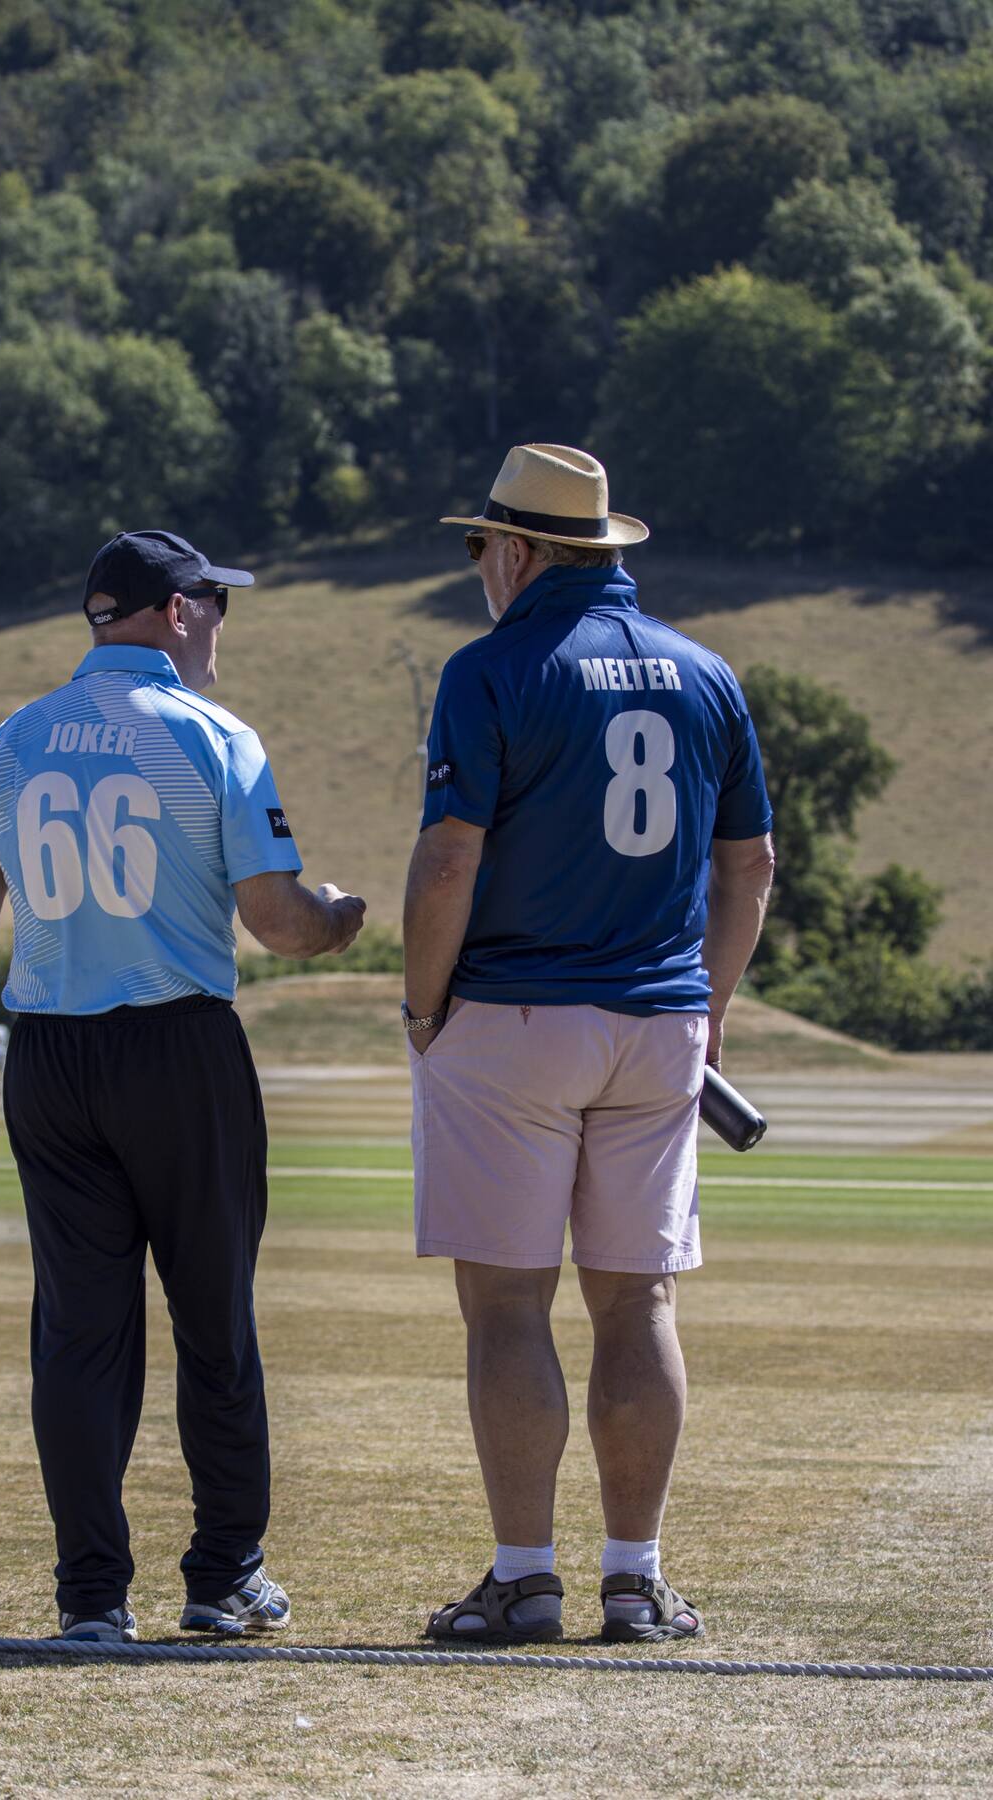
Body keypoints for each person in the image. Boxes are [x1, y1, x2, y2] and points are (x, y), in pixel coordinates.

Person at [0, 528, 366, 1644]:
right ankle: (223, 1575)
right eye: (216, 604)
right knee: (215, 1321)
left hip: (51, 1056)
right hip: (178, 1053)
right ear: (176, 611)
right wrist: (342, 918)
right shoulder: (213, 735)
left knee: (80, 1336)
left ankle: (91, 1597)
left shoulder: (15, 739)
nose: (221, 626)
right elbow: (276, 922)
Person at [402, 445, 774, 1646]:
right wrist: (707, 1011)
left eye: (482, 547)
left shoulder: (491, 667)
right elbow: (751, 867)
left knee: (508, 1306)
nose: (480, 567)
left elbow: (448, 860)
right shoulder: (707, 672)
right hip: (660, 1021)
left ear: (518, 551)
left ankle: (524, 1578)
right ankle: (636, 1578)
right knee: (637, 1301)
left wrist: (422, 1010)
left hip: (512, 1017)